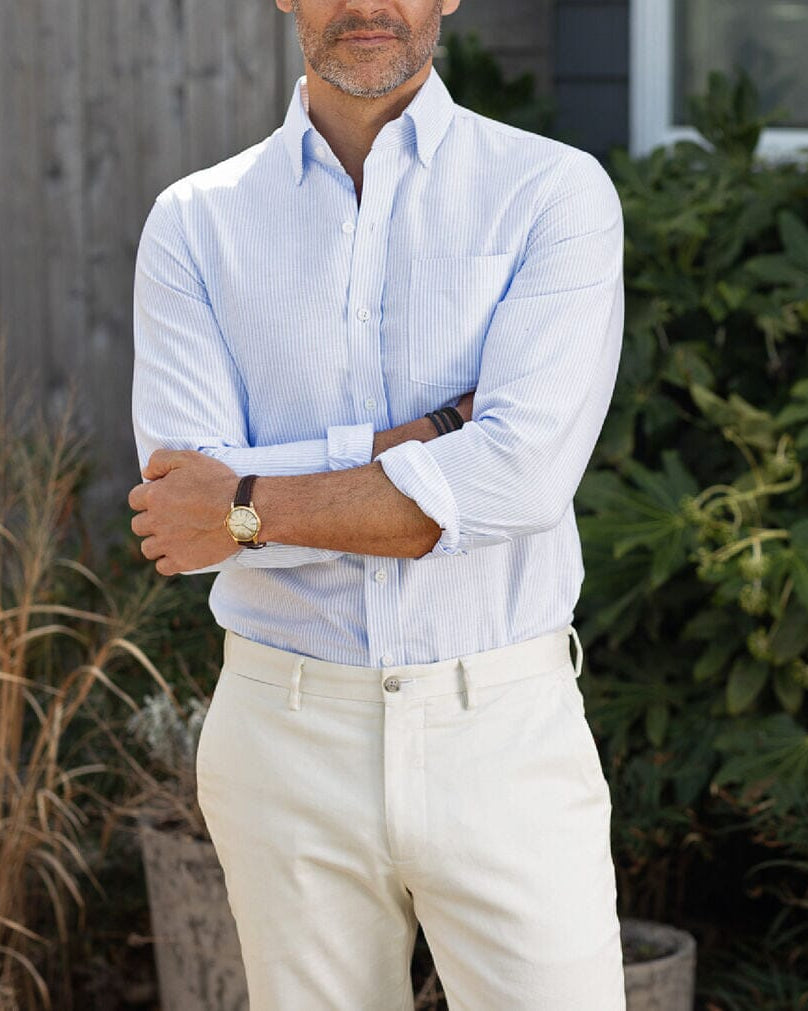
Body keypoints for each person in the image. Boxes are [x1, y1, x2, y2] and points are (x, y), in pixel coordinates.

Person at [128, 0, 626, 1007]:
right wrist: (435, 436)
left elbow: (520, 480)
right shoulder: (195, 222)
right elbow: (186, 516)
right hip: (282, 741)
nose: (367, 4)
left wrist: (247, 499)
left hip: (503, 732)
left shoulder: (549, 192)